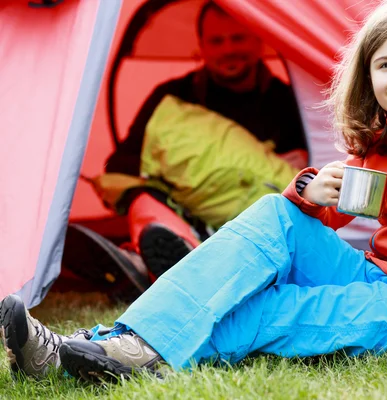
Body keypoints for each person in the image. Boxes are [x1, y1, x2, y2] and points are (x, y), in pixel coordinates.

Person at [3, 0, 387, 384]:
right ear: (368, 76)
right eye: (386, 65)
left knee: (267, 312)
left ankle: (111, 355)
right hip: (379, 276)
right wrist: (314, 192)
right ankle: (102, 346)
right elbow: (328, 221)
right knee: (273, 212)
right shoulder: (382, 138)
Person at [65, 1, 308, 291]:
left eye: (238, 38)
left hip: (252, 212)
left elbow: (318, 171)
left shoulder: (290, 102)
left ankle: (146, 268)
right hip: (184, 208)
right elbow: (120, 167)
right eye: (217, 41)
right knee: (140, 197)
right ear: (202, 47)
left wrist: (304, 160)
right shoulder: (170, 98)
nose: (228, 49)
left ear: (258, 42)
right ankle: (173, 256)